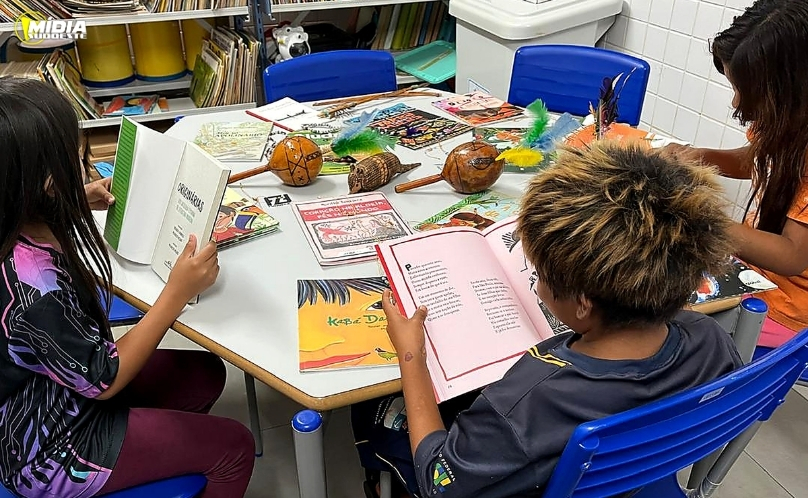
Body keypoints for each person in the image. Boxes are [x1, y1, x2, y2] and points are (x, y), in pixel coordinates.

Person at [352, 142, 743, 498]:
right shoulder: (709, 337)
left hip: (516, 468)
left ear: (584, 303)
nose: (536, 286)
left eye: (539, 276)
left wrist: (411, 357)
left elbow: (439, 479)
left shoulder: (528, 401)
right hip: (636, 475)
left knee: (371, 411)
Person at [0, 77, 255, 498]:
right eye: (73, 158)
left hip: (66, 391)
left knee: (205, 373)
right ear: (44, 181)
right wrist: (174, 294)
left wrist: (79, 198)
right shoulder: (33, 289)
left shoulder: (17, 215)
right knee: (234, 447)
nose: (81, 163)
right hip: (49, 449)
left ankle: (158, 464)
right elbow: (105, 379)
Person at [663, 0, 808, 348]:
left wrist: (704, 219)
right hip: (759, 275)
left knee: (662, 324)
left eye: (744, 91)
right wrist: (700, 156)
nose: (735, 103)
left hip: (789, 308)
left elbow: (791, 256)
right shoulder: (786, 122)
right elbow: (757, 160)